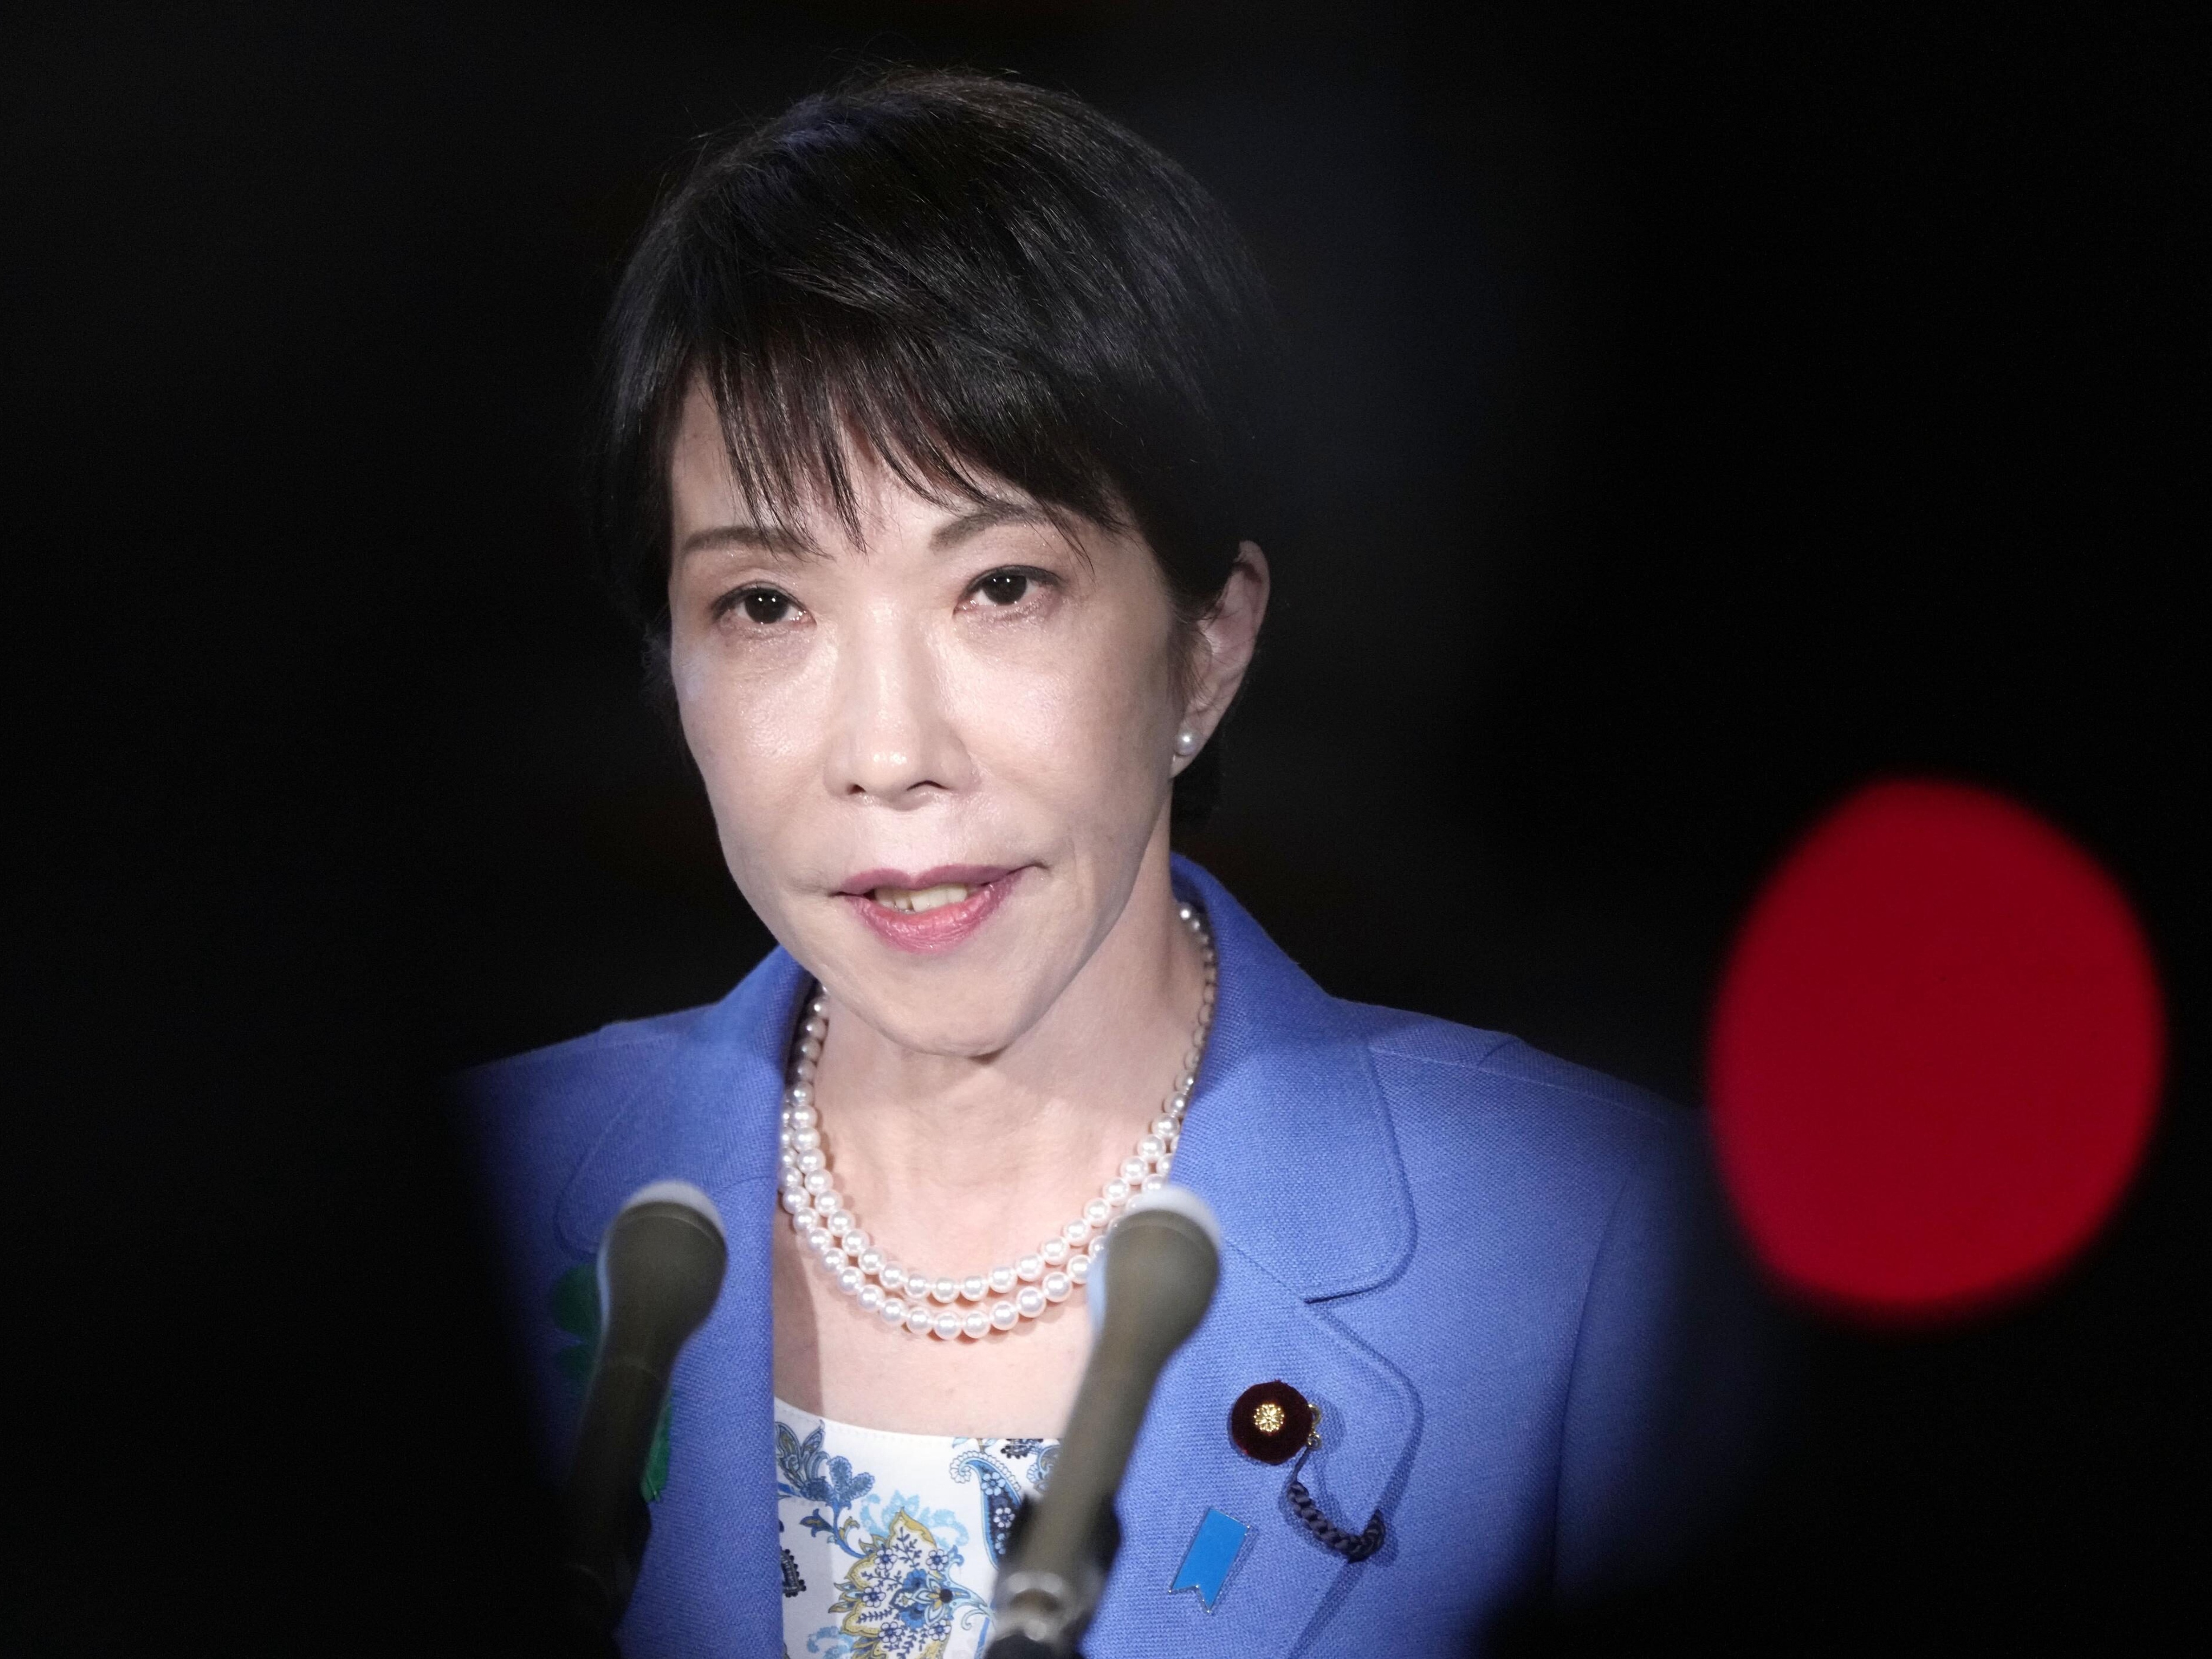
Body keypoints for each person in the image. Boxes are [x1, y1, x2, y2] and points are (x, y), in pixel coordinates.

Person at [463, 68, 1767, 1659]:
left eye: (1002, 586)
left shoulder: (1605, 1248)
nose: (889, 749)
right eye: (766, 606)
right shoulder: (466, 1197)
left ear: (1206, 644)